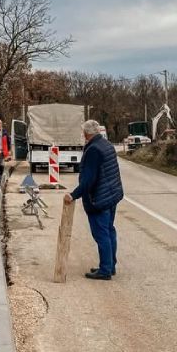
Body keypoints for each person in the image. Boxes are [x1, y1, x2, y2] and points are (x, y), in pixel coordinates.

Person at [64, 119, 124, 280]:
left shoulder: (93, 150)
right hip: (112, 195)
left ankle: (105, 270)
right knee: (109, 230)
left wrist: (73, 195)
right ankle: (110, 265)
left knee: (101, 234)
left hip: (99, 199)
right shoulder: (107, 145)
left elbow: (89, 180)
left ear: (86, 134)